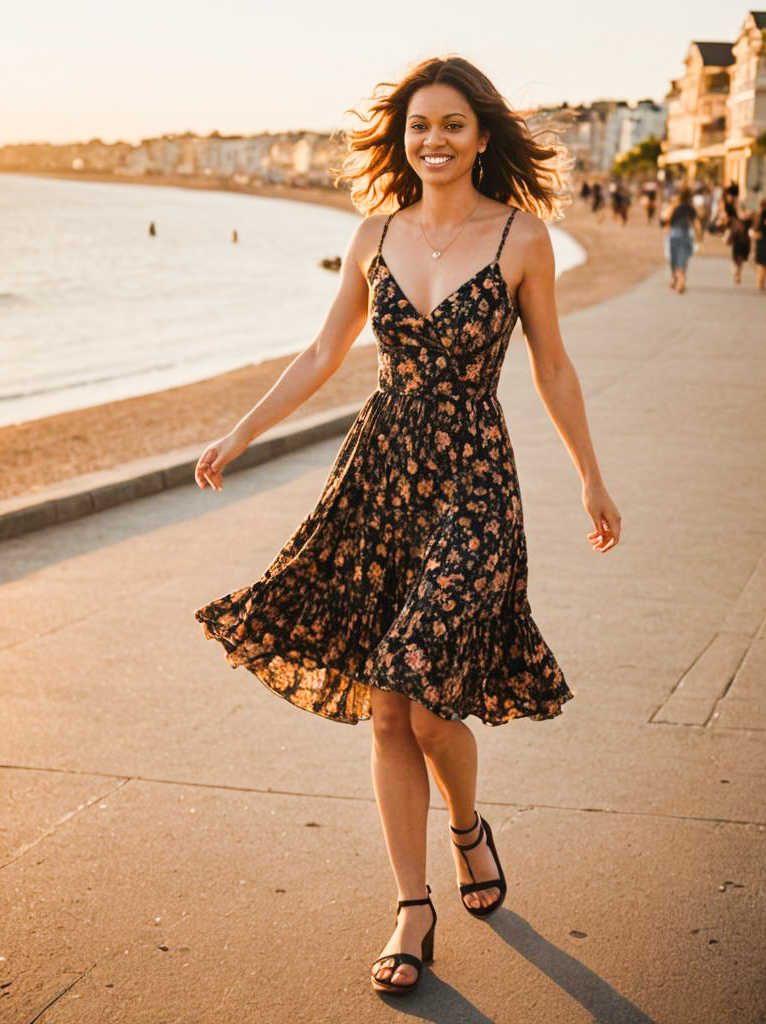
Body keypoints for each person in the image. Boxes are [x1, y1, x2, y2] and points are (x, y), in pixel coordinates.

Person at [192, 55, 621, 998]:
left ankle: (467, 825)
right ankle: (412, 907)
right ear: (403, 137)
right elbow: (321, 350)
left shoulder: (521, 238)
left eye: (453, 126)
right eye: (419, 125)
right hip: (379, 480)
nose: (434, 140)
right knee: (387, 703)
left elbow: (552, 368)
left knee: (426, 699)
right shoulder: (373, 233)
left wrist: (592, 476)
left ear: (481, 137)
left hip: (473, 482)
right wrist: (238, 430)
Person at [661, 186, 703, 293]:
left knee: (674, 258)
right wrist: (699, 239)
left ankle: (678, 280)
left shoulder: (673, 207)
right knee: (682, 258)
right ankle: (680, 280)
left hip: (674, 234)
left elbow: (664, 219)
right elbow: (697, 224)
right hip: (686, 234)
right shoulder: (690, 208)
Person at [718, 184, 751, 284]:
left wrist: (745, 215)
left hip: (741, 231)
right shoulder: (723, 203)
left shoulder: (737, 203)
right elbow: (722, 215)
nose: (730, 197)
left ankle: (737, 272)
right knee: (737, 253)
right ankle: (737, 271)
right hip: (733, 231)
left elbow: (742, 215)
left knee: (740, 254)